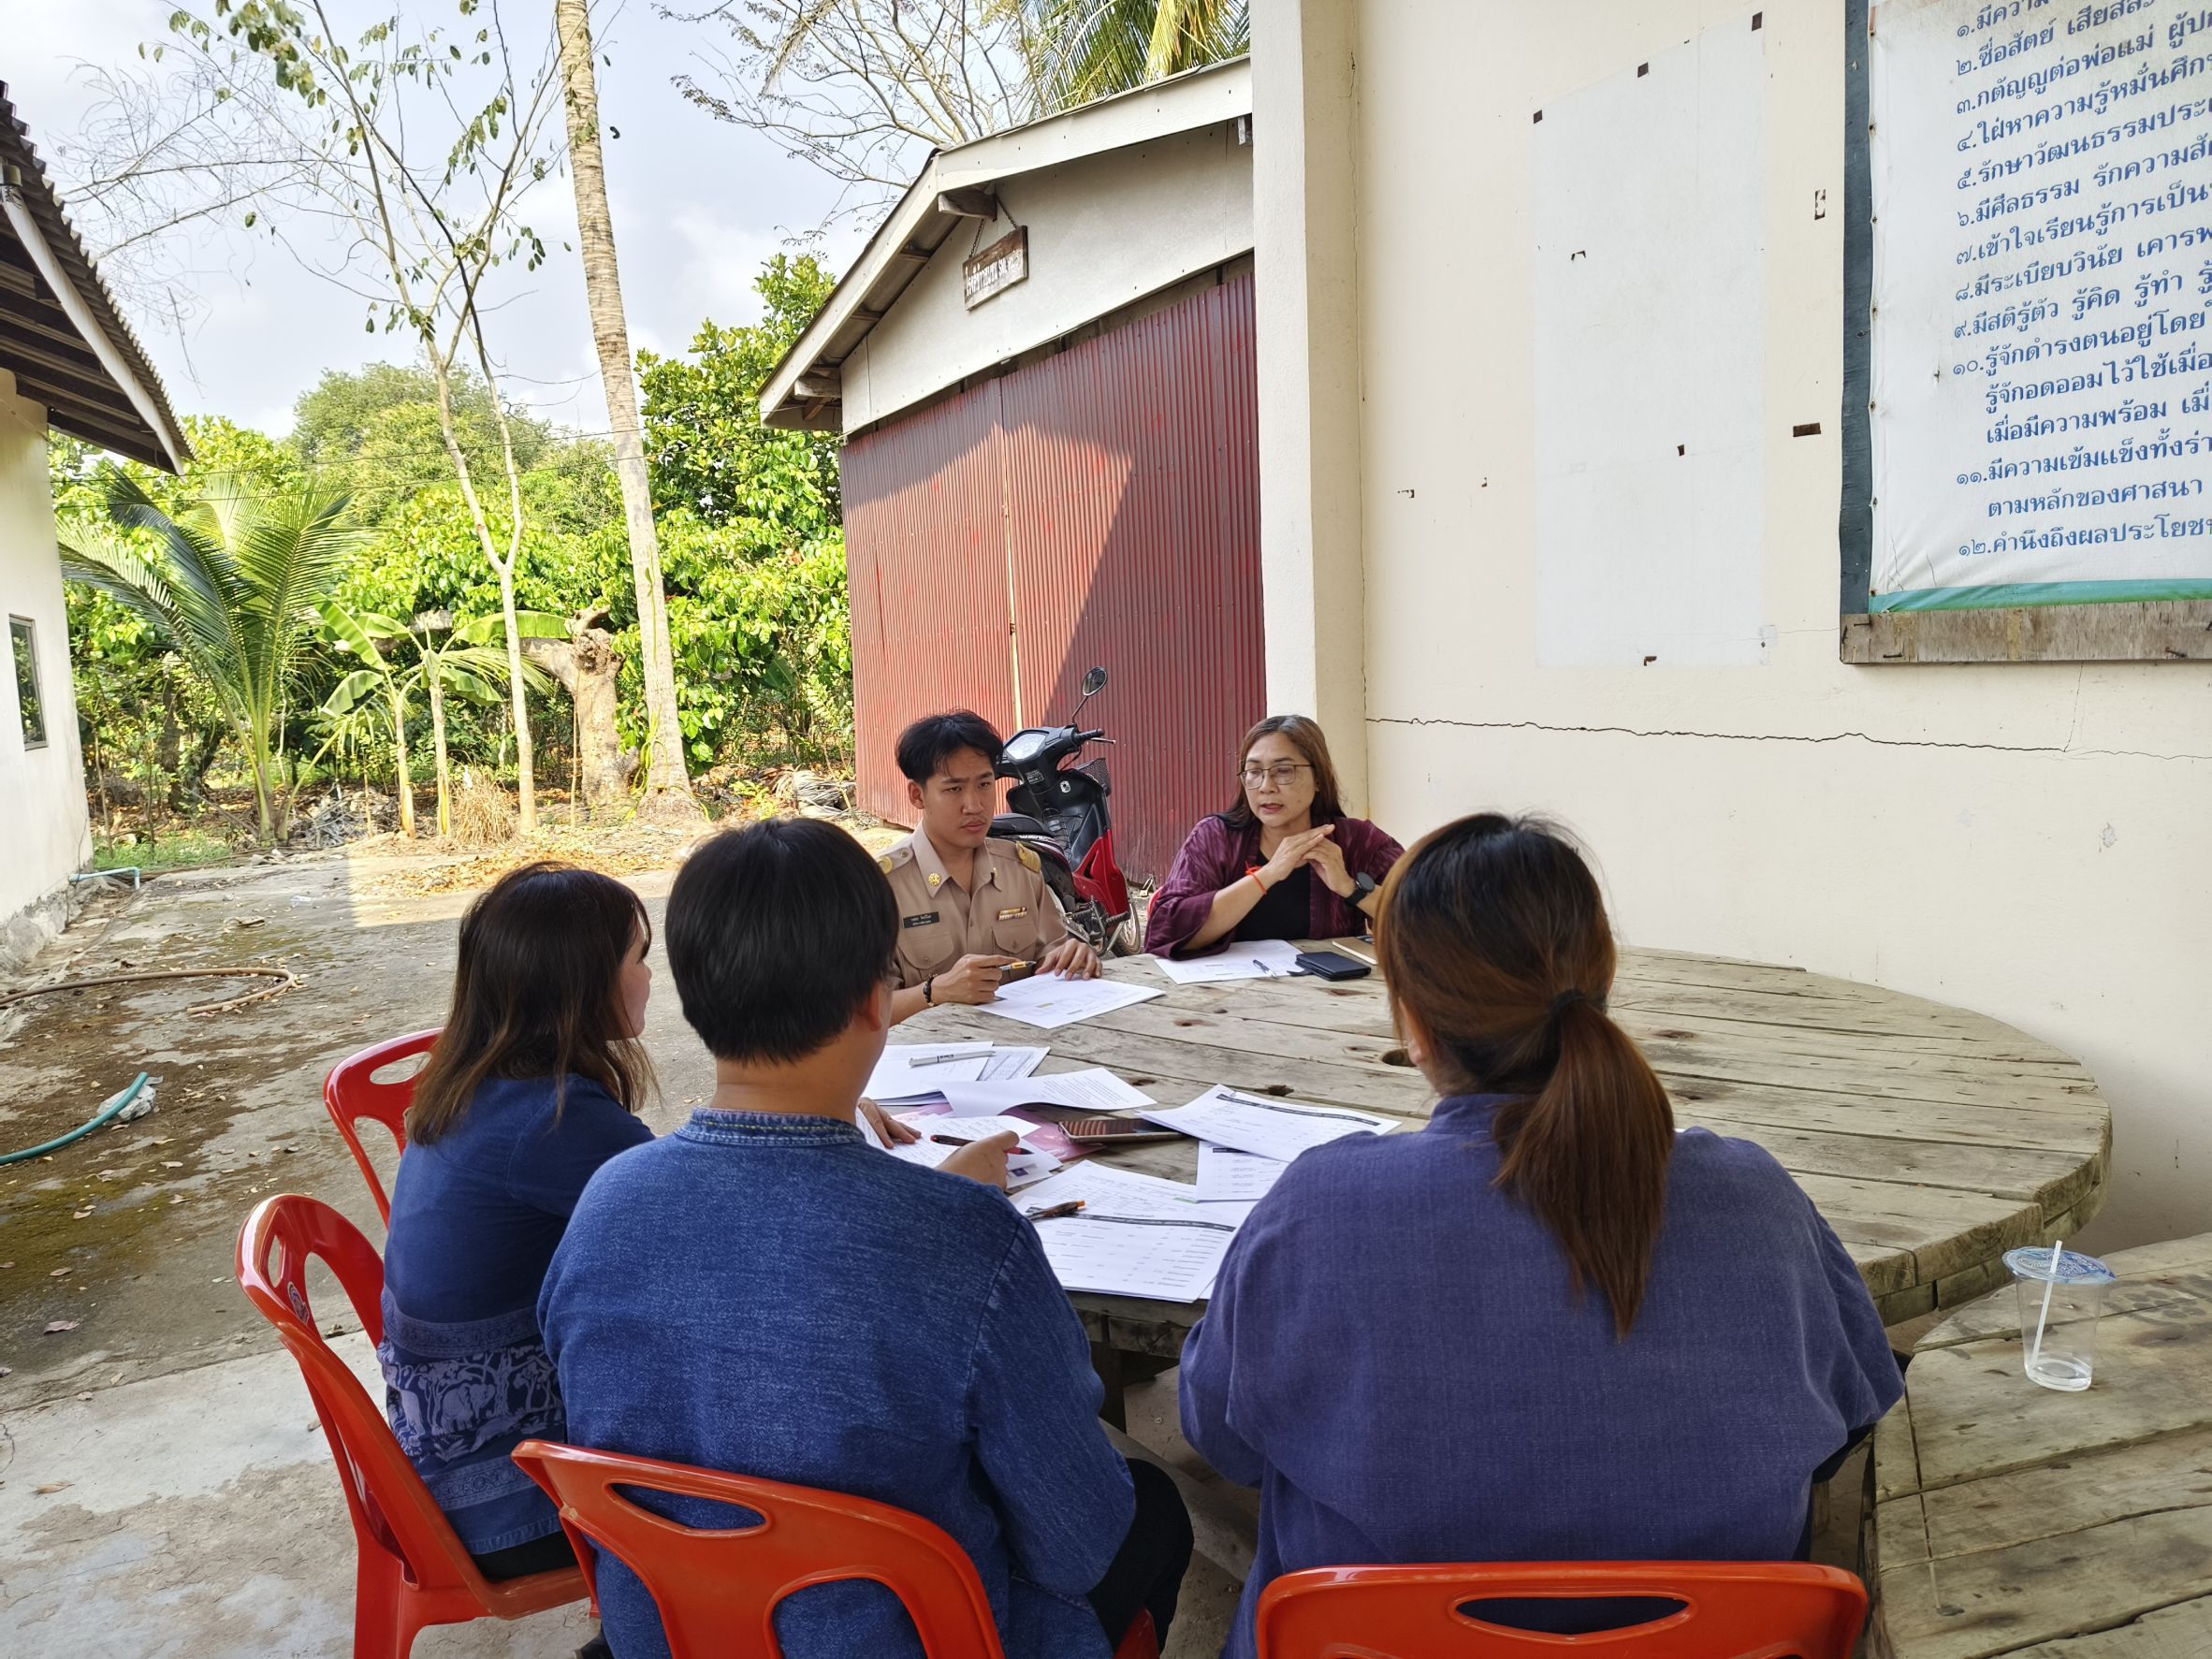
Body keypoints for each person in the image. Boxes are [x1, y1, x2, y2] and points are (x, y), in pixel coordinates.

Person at [1179, 814, 1905, 1659]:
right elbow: (1849, 1419)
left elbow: (1221, 1435)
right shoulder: (1757, 1198)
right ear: (1602, 982)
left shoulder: (1318, 1209)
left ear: (1414, 1026)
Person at [539, 818, 1192, 1659]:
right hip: (914, 1639)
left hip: (669, 1631)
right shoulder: (969, 1241)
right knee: (1153, 1507)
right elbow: (1080, 1538)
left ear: (695, 1001)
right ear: (872, 997)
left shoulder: (604, 1204)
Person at [376, 863, 657, 1592]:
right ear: (582, 985)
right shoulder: (552, 1119)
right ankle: (656, 1621)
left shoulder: (481, 1080)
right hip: (505, 1504)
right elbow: (695, 1223)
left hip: (434, 1459)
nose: (650, 977)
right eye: (639, 958)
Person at [879, 709, 1100, 1022]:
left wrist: (1071, 957)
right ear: (918, 795)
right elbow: (860, 1014)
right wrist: (934, 992)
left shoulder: (1020, 870)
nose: (975, 805)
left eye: (984, 784)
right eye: (954, 789)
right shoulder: (879, 888)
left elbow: (1049, 958)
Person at [1143, 714, 1404, 957]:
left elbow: (1422, 919)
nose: (1266, 787)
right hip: (1223, 989)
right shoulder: (1216, 837)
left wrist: (1349, 887)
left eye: (1284, 771)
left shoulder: (1358, 841)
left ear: (1318, 779)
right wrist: (1267, 875)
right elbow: (1166, 930)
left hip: (1331, 988)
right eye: (1254, 772)